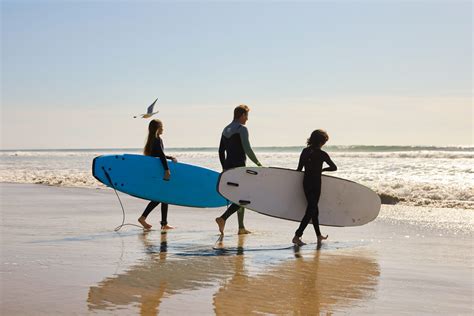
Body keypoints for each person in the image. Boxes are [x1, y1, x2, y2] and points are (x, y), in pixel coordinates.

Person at [215, 104, 262, 235]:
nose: (247, 119)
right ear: (242, 115)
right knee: (244, 197)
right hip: (240, 167)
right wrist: (258, 164)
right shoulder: (242, 129)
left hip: (229, 167)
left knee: (239, 196)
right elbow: (247, 149)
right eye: (246, 116)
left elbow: (220, 151)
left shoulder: (225, 129)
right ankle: (223, 218)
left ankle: (241, 228)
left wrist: (224, 167)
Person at [292, 129, 337, 246]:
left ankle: (318, 236)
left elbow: (299, 169)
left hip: (306, 183)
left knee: (314, 210)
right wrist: (322, 169)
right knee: (311, 209)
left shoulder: (305, 151)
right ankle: (297, 236)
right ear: (321, 141)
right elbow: (334, 167)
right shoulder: (322, 154)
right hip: (316, 184)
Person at [138, 119, 177, 230]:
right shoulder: (157, 139)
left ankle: (163, 223)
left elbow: (159, 155)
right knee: (162, 197)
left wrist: (169, 158)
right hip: (160, 171)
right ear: (157, 128)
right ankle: (144, 218)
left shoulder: (151, 140)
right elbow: (160, 155)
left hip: (155, 171)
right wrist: (167, 170)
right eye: (162, 126)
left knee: (164, 197)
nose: (163, 129)